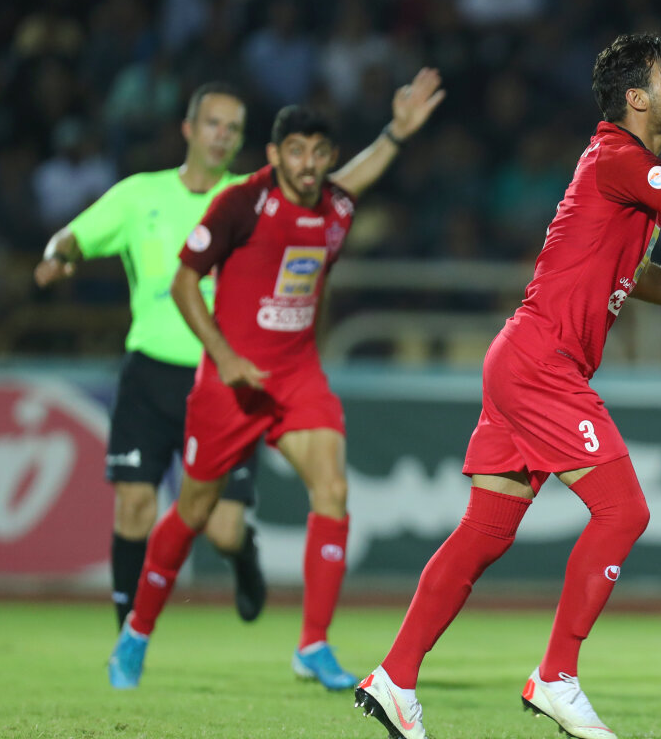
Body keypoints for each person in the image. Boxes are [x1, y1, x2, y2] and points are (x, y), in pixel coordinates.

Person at [355, 34, 661, 739]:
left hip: (521, 357)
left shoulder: (622, 170)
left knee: (485, 531)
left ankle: (394, 677)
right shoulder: (621, 158)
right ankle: (556, 676)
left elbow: (640, 276)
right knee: (624, 513)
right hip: (543, 364)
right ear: (637, 98)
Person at [106, 68, 446, 691]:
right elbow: (183, 282)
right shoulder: (241, 203)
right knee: (194, 510)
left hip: (296, 376)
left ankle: (312, 645)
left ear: (329, 156)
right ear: (273, 154)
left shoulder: (335, 204)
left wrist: (396, 135)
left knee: (333, 489)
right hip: (230, 384)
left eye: (318, 152)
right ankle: (137, 633)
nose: (308, 164)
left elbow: (357, 179)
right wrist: (223, 355)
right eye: (295, 151)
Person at [34, 82, 267, 632]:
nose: (222, 136)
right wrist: (58, 255)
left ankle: (243, 554)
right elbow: (74, 235)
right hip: (150, 373)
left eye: (233, 128)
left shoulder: (252, 202)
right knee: (135, 505)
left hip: (223, 376)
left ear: (240, 141)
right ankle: (127, 634)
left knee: (223, 529)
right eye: (212, 124)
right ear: (188, 129)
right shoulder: (140, 195)